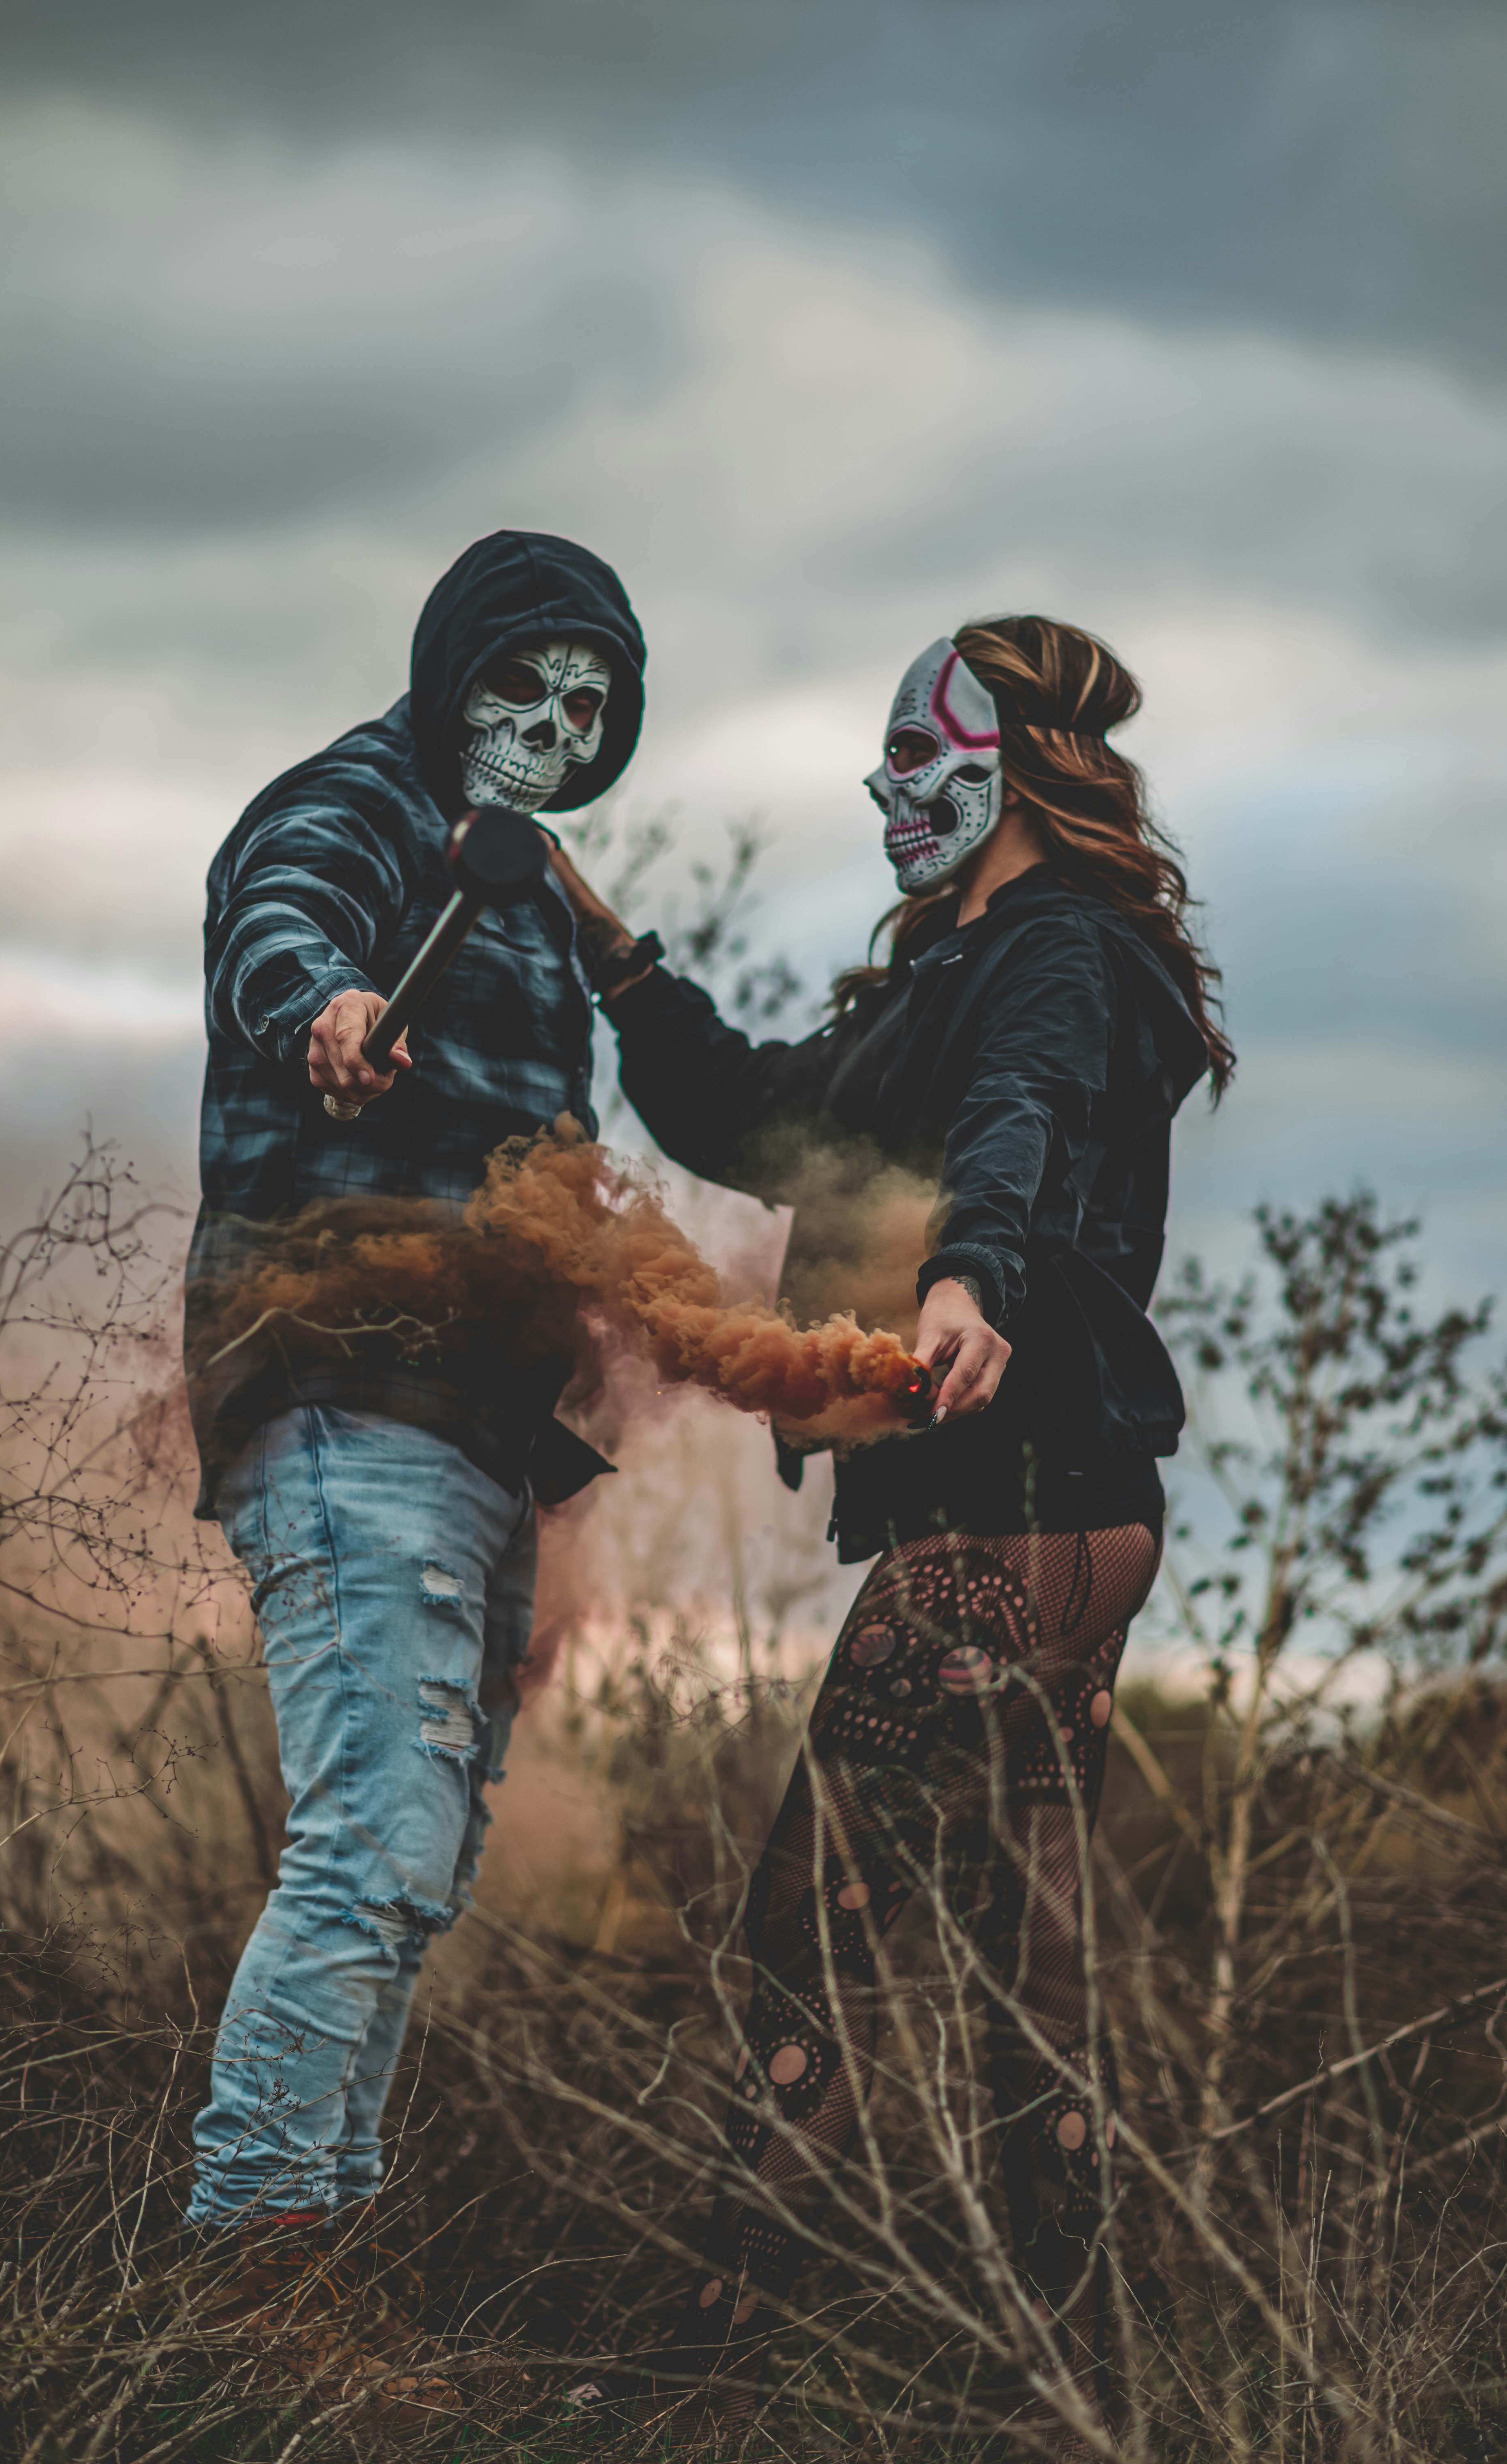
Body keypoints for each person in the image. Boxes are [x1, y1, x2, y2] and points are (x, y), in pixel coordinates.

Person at [550, 615, 1232, 2442]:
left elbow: (1024, 1120)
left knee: (811, 1930)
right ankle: (1083, 2393)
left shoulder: (1060, 958)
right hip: (1060, 1521)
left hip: (1015, 1521)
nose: (883, 804)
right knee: (1027, 1966)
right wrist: (613, 949)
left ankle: (677, 2381)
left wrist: (965, 1276)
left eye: (910, 771)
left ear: (998, 768)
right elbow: (756, 1115)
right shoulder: (946, 981)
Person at [179, 531, 647, 2387]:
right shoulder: (359, 803)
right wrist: (325, 1003)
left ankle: (323, 2260)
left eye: (588, 707)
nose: (550, 727)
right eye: (524, 688)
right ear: (456, 672)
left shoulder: (528, 891)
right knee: (373, 1832)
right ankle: (252, 2291)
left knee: (419, 1855)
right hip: (339, 1384)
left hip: (472, 1424)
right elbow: (283, 913)